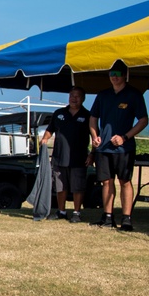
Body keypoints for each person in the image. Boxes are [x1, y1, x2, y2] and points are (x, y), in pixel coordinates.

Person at [88, 63, 149, 231]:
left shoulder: (134, 94)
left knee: (125, 181)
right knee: (106, 182)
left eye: (118, 74)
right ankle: (108, 217)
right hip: (103, 148)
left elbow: (143, 120)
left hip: (124, 149)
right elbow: (93, 118)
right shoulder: (103, 95)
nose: (114, 77)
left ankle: (126, 219)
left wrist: (125, 137)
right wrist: (95, 137)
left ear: (125, 76)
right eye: (111, 73)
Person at [39, 86, 91, 223]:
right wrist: (45, 138)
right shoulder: (58, 113)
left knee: (77, 187)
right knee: (60, 186)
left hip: (79, 158)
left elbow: (96, 136)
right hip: (59, 157)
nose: (74, 98)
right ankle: (61, 212)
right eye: (72, 95)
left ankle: (76, 213)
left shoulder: (88, 115)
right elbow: (50, 130)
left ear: (83, 99)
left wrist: (93, 154)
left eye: (77, 96)